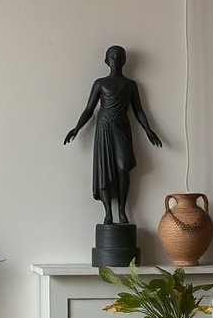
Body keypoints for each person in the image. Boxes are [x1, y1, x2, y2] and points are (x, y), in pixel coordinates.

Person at [64, 45, 162, 225]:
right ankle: (108, 212)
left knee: (123, 167)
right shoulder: (100, 83)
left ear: (124, 60)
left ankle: (122, 211)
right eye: (112, 57)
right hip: (104, 128)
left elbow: (139, 110)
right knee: (104, 171)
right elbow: (89, 109)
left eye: (118, 57)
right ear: (106, 60)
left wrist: (148, 130)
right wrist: (77, 128)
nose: (115, 60)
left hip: (122, 127)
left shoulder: (130, 85)